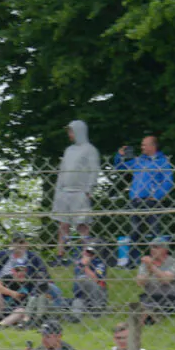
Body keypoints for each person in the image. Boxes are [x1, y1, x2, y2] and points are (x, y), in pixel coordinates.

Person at [114, 135, 173, 264]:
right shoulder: (139, 160)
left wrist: (157, 196)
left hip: (152, 201)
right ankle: (132, 261)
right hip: (136, 201)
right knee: (134, 232)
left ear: (153, 146)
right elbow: (120, 167)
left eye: (144, 144)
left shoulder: (162, 162)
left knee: (154, 232)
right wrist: (119, 156)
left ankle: (158, 260)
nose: (142, 147)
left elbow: (168, 182)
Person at [51, 119, 101, 259]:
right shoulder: (69, 150)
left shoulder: (90, 149)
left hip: (80, 192)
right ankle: (61, 254)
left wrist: (88, 190)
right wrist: (58, 190)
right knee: (63, 224)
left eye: (71, 131)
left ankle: (87, 253)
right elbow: (63, 170)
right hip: (65, 191)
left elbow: (94, 170)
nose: (69, 134)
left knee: (82, 224)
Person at [135, 236, 175, 322]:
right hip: (150, 297)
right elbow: (140, 283)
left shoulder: (174, 262)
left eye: (156, 247)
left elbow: (166, 280)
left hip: (169, 297)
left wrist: (152, 267)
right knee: (143, 303)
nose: (153, 249)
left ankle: (151, 315)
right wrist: (148, 270)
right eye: (151, 247)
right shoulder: (146, 263)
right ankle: (149, 315)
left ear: (165, 249)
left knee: (156, 307)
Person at [0, 265, 36, 330]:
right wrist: (12, 293)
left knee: (21, 310)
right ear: (13, 271)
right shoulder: (8, 278)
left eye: (24, 270)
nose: (21, 273)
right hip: (1, 308)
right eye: (18, 270)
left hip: (15, 312)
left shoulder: (29, 282)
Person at [71, 239, 108, 317]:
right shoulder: (80, 262)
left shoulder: (100, 263)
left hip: (96, 295)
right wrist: (82, 264)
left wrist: (86, 266)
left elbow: (96, 280)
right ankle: (76, 317)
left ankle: (97, 309)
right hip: (82, 295)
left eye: (91, 253)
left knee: (87, 281)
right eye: (87, 251)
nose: (88, 254)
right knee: (77, 302)